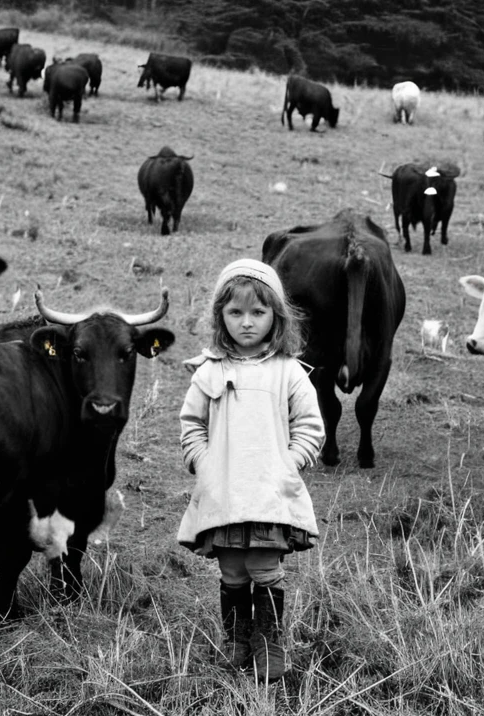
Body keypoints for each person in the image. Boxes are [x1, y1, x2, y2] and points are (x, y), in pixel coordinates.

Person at [176, 258, 325, 682]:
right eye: (235, 313)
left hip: (269, 491)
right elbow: (192, 424)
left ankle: (268, 642)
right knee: (233, 570)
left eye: (257, 313)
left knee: (263, 565)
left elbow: (310, 425)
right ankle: (237, 640)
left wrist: (290, 463)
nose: (246, 323)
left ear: (275, 317)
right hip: (223, 489)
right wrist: (202, 463)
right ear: (220, 316)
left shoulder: (288, 371)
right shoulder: (210, 371)